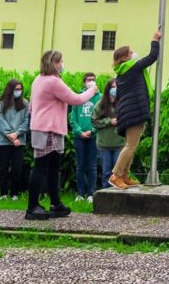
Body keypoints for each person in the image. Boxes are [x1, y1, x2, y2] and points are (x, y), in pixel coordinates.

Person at [26, 50, 96, 220]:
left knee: (53, 168)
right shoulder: (52, 81)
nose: (62, 64)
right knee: (42, 167)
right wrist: (92, 90)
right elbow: (76, 99)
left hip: (46, 128)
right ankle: (32, 207)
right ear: (54, 64)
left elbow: (32, 107)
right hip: (48, 129)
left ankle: (55, 204)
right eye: (61, 61)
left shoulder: (38, 79)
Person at [107, 29, 161, 190]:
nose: (134, 53)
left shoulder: (122, 73)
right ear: (124, 57)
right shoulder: (132, 67)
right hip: (134, 112)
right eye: (131, 52)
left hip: (129, 112)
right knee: (130, 146)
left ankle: (124, 175)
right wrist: (155, 40)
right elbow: (152, 57)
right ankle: (116, 175)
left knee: (132, 145)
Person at [0, 79, 29, 200]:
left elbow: (27, 121)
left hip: (19, 141)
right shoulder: (1, 104)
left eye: (20, 89)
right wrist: (10, 135)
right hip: (4, 141)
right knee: (3, 168)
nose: (18, 91)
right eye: (16, 89)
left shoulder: (25, 103)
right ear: (10, 90)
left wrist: (17, 134)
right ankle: (3, 193)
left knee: (17, 168)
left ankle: (15, 193)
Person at [70, 72, 101, 201]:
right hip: (79, 137)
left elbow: (101, 118)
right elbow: (73, 119)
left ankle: (91, 193)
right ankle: (80, 194)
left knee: (92, 166)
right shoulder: (78, 98)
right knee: (80, 166)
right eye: (89, 80)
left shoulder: (100, 98)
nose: (91, 81)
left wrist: (92, 131)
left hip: (93, 137)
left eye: (93, 79)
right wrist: (80, 132)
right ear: (84, 82)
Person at [91, 79, 124, 189]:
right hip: (104, 145)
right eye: (113, 87)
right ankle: (105, 195)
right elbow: (94, 122)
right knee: (106, 172)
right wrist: (109, 121)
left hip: (119, 143)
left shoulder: (122, 103)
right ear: (108, 89)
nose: (115, 89)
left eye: (117, 86)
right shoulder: (101, 104)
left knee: (118, 173)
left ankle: (118, 195)